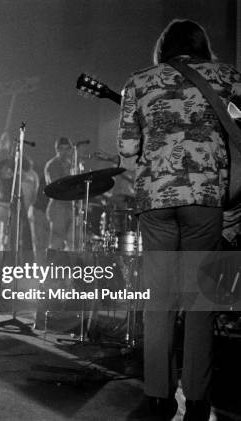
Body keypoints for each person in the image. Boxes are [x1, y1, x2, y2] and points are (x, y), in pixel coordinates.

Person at [117, 19, 241, 421]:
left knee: (159, 302)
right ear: (201, 45)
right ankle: (199, 402)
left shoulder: (138, 81)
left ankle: (158, 398)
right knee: (202, 302)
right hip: (206, 199)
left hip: (156, 200)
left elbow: (126, 150)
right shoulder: (227, 77)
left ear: (162, 48)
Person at [44, 137, 74, 250]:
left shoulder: (70, 164)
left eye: (68, 149)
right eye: (62, 149)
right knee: (56, 242)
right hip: (58, 207)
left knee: (71, 242)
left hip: (69, 206)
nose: (65, 152)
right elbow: (56, 186)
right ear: (57, 150)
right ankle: (52, 266)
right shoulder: (53, 165)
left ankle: (66, 266)